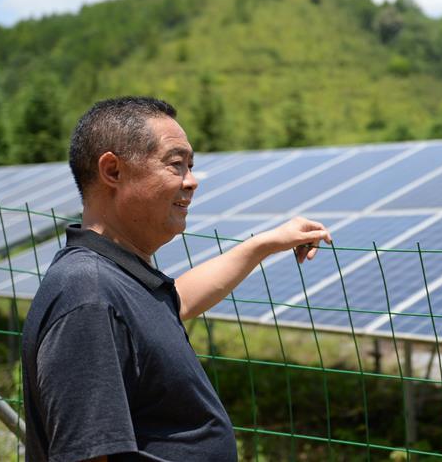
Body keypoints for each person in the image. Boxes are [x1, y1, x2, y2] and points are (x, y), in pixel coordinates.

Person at [22, 97, 331, 462]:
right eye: (176, 165)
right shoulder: (88, 296)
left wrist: (264, 244)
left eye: (191, 166)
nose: (193, 181)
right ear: (113, 171)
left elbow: (176, 302)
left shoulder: (118, 280)